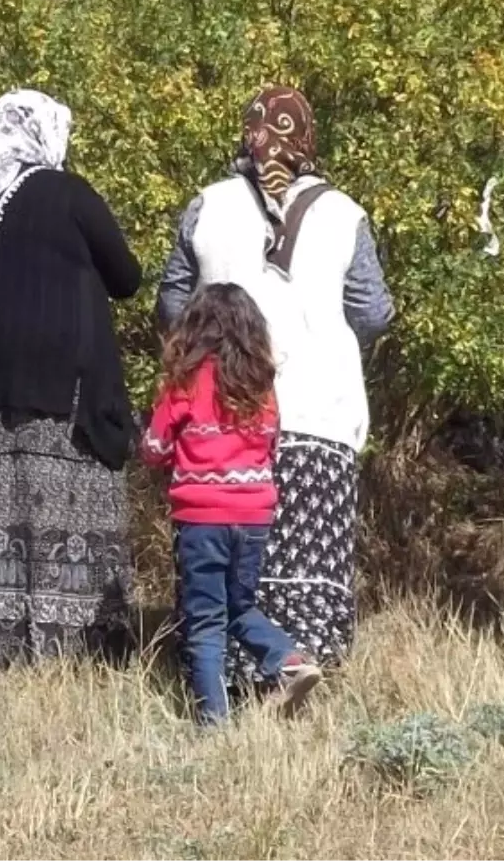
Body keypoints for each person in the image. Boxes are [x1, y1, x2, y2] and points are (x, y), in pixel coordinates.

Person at [156, 86, 394, 683]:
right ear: (308, 139)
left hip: (222, 418)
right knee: (306, 560)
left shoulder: (206, 206)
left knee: (223, 569)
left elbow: (171, 303)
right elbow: (373, 312)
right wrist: (321, 339)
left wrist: (202, 357)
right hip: (320, 413)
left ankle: (226, 681)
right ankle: (299, 665)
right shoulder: (344, 213)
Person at [0, 89, 143, 675]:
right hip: (54, 388)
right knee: (59, 513)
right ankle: (69, 656)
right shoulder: (63, 194)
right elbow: (127, 276)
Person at [142, 282, 323, 724]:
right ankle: (287, 659)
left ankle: (213, 726)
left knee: (206, 622)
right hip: (254, 515)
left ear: (193, 329)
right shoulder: (260, 386)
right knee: (240, 606)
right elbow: (271, 445)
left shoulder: (184, 383)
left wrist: (170, 454)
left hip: (202, 517)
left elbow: (153, 447)